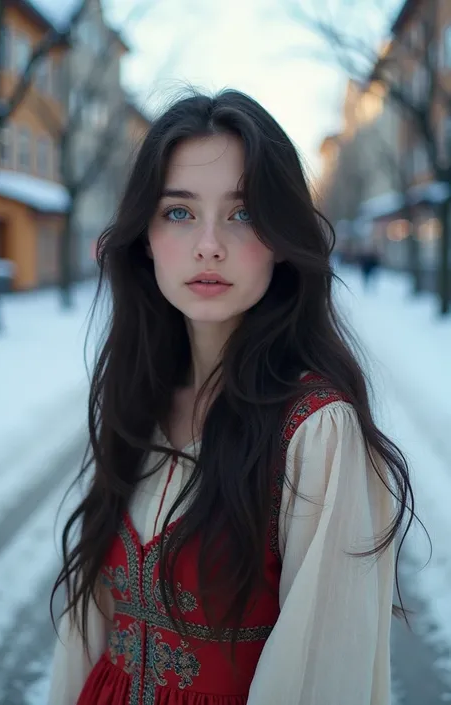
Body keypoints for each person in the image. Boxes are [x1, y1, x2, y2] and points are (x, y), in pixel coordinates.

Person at [48, 89, 416, 705]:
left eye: (242, 214)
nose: (209, 245)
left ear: (280, 237)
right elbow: (85, 635)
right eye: (179, 212)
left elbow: (320, 676)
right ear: (145, 236)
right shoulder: (139, 396)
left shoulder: (316, 432)